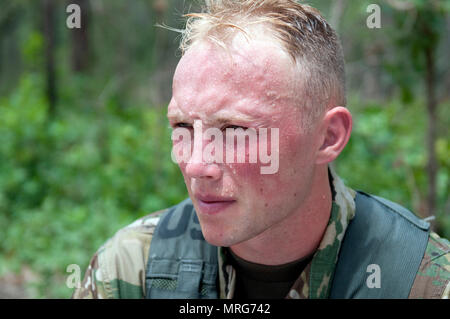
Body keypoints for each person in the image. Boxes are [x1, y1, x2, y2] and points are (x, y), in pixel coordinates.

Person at [72, 0, 449, 299]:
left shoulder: (420, 282)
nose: (196, 164)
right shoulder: (131, 270)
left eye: (235, 130)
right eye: (183, 126)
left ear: (328, 137)